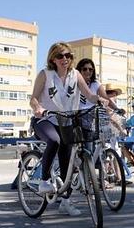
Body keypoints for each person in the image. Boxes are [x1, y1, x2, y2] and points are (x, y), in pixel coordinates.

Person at [29, 42, 108, 216]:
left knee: (68, 162)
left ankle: (65, 201)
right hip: (46, 119)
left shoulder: (76, 74)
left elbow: (88, 94)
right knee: (54, 140)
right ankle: (43, 180)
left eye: (68, 56)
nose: (65, 59)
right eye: (60, 56)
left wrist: (100, 99)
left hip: (66, 121)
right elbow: (33, 98)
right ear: (53, 59)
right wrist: (38, 109)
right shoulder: (45, 75)